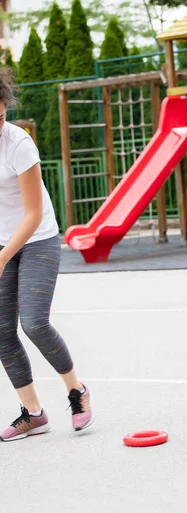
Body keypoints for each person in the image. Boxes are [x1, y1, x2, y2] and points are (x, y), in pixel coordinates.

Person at [0, 67, 93, 441]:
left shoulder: (18, 144)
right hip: (3, 243)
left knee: (34, 322)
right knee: (2, 331)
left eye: (0, 115)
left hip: (37, 238)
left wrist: (3, 256)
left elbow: (34, 213)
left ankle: (77, 391)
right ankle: (33, 413)